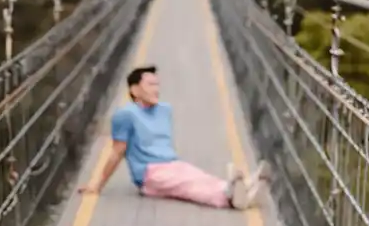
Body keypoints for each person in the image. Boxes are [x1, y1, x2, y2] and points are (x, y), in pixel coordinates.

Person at [78, 65, 271, 209]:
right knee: (186, 186)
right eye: (150, 84)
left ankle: (243, 188)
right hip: (149, 173)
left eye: (157, 84)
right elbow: (117, 152)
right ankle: (228, 197)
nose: (156, 89)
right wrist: (97, 185)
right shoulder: (125, 115)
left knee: (199, 176)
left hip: (171, 163)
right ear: (135, 90)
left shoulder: (164, 110)